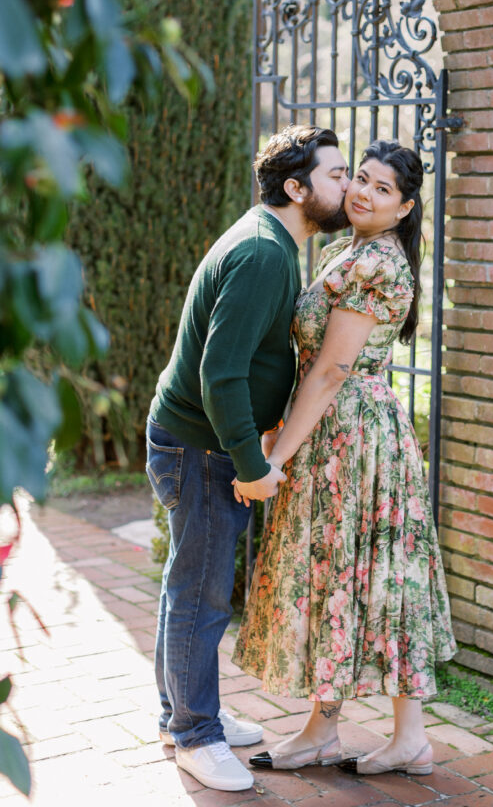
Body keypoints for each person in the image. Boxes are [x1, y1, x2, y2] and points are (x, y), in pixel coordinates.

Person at [233, 140, 457, 777]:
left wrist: (278, 449)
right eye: (360, 178)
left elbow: (332, 369)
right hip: (337, 431)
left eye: (382, 189)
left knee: (364, 574)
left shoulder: (378, 262)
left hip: (351, 436)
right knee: (353, 577)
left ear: (405, 207)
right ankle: (362, 733)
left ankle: (361, 734)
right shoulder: (346, 250)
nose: (362, 191)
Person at [146, 124, 349, 792]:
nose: (346, 185)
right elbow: (221, 373)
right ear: (297, 187)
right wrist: (252, 464)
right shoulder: (265, 254)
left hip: (196, 442)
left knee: (189, 584)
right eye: (335, 174)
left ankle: (183, 712)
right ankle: (194, 734)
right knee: (200, 593)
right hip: (201, 449)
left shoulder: (269, 241)